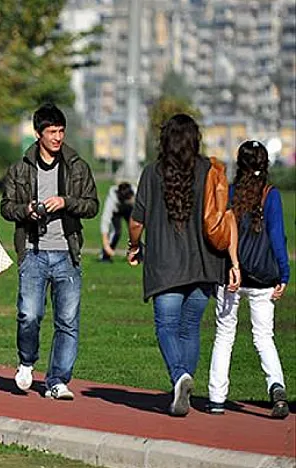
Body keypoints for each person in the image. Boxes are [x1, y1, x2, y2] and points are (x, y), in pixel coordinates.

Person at [127, 114, 240, 417]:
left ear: (165, 140)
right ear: (195, 140)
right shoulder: (210, 171)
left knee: (166, 326)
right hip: (204, 264)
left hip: (165, 267)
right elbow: (225, 218)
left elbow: (137, 221)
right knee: (190, 328)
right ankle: (183, 386)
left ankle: (179, 377)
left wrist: (134, 245)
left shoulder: (152, 173)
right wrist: (233, 262)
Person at [0, 103, 98, 400]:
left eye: (61, 131)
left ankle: (57, 380)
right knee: (29, 315)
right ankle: (27, 361)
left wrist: (66, 202)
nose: (58, 137)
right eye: (52, 131)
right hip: (33, 251)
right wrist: (26, 210)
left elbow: (92, 205)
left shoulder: (77, 166)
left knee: (67, 321)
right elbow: (6, 207)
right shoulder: (21, 168)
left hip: (67, 254)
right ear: (38, 133)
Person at [207, 141, 290, 418]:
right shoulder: (271, 195)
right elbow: (278, 238)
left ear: (239, 164)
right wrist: (284, 273)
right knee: (264, 336)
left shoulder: (229, 194)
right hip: (263, 277)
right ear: (264, 165)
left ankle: (217, 397)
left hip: (230, 273)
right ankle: (276, 387)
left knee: (224, 335)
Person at [99, 181, 136, 262]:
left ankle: (137, 255)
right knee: (116, 232)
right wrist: (106, 245)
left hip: (130, 211)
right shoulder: (112, 199)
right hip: (116, 212)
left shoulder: (135, 193)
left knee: (135, 230)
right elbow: (105, 220)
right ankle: (105, 256)